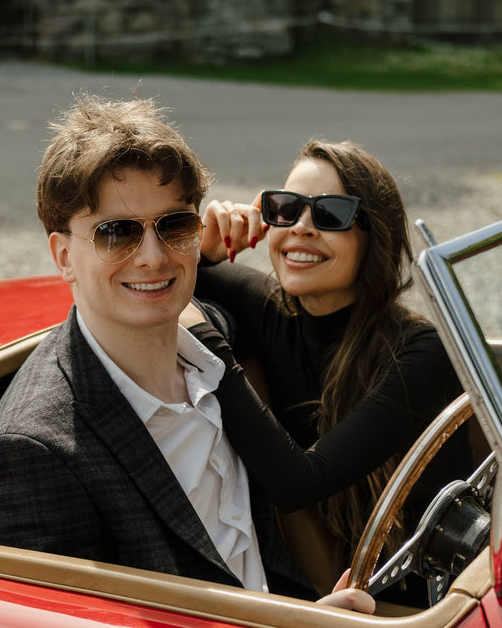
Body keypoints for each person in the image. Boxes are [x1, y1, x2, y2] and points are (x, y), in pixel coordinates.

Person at [0, 96, 373, 612]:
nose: (153, 256)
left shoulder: (220, 338)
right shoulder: (34, 451)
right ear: (63, 255)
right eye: (116, 232)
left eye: (174, 225)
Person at [193, 139, 474, 596]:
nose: (301, 228)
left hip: (434, 608)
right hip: (341, 597)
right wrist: (207, 242)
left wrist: (211, 355)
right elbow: (176, 276)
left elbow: (301, 483)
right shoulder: (271, 309)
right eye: (285, 209)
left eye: (331, 214)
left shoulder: (421, 351)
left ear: (373, 237)